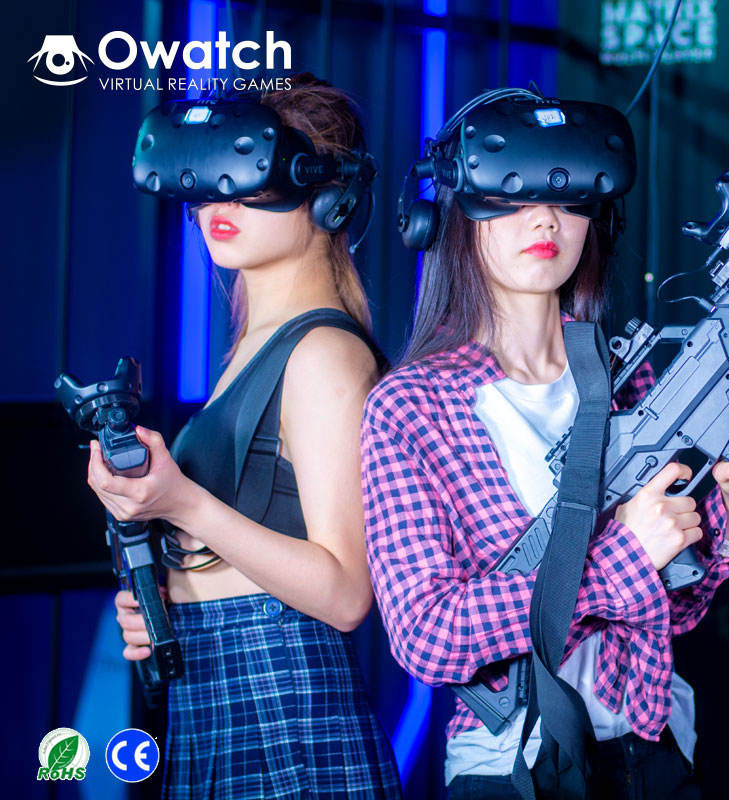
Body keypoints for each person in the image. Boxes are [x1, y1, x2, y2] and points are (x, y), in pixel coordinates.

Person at [361, 91, 729, 799]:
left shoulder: (629, 376)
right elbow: (426, 636)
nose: (545, 219)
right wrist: (621, 558)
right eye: (513, 195)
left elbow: (672, 609)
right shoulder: (412, 406)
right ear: (452, 214)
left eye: (567, 197)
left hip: (656, 749)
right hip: (515, 767)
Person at [87, 75, 402, 800]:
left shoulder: (323, 354)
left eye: (250, 174)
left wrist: (183, 503)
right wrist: (166, 604)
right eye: (208, 178)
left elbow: (346, 593)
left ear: (328, 195)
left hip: (281, 698)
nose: (219, 202)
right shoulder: (256, 348)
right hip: (218, 690)